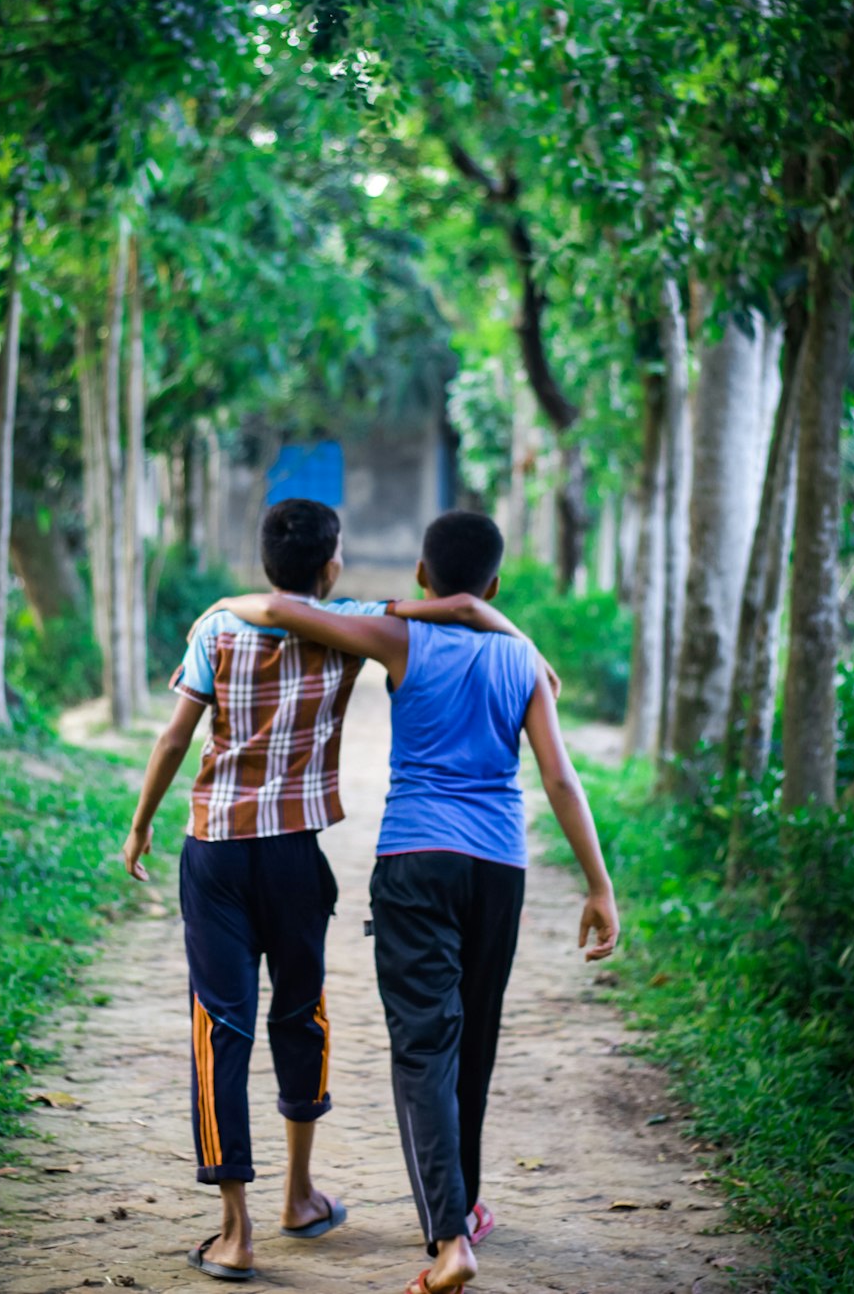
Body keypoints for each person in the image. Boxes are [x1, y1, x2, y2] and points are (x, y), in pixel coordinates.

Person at [121, 499, 555, 1283]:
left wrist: (142, 822)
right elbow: (459, 606)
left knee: (219, 1027)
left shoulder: (216, 630)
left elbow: (174, 735)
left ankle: (234, 1230)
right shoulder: (348, 624)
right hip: (295, 855)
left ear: (264, 562)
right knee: (300, 1014)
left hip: (215, 852)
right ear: (331, 566)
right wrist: (528, 646)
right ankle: (298, 1194)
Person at [211, 509, 620, 1294]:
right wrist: (599, 886)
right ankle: (465, 1205)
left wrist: (226, 606)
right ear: (496, 585)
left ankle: (450, 1238)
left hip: (416, 859)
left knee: (424, 1049)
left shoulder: (405, 639)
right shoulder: (523, 659)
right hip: (499, 866)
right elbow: (562, 779)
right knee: (474, 1040)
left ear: (421, 577)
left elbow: (292, 611)